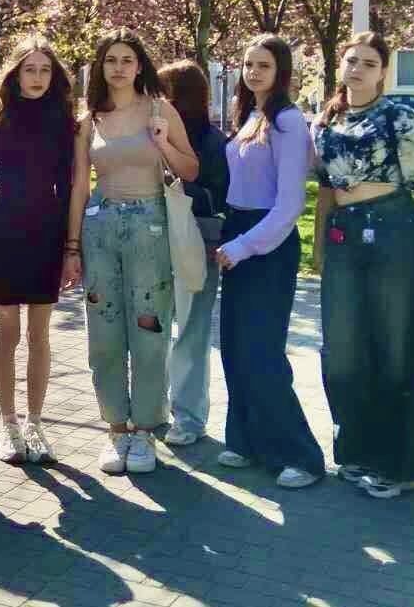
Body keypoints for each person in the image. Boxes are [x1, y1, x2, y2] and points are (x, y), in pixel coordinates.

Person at [313, 31, 414, 499]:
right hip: (343, 239)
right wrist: (318, 250)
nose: (358, 70)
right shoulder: (326, 120)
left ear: (383, 73)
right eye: (352, 61)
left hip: (394, 233)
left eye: (369, 64)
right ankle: (356, 452)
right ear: (340, 65)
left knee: (395, 350)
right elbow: (325, 192)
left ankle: (398, 465)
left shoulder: (399, 117)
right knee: (344, 351)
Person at [66, 28, 198, 475]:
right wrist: (72, 246)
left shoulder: (160, 109)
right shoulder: (90, 120)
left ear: (140, 65)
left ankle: (144, 429)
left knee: (149, 329)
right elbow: (80, 186)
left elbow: (191, 168)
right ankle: (116, 428)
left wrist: (162, 142)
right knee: (103, 334)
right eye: (110, 60)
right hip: (101, 229)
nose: (118, 68)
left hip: (150, 228)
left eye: (126, 59)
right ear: (100, 68)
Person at [212, 35, 325, 488]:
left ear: (281, 72)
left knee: (262, 352)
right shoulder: (250, 115)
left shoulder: (288, 122)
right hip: (238, 232)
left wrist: (243, 247)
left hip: (267, 245)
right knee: (235, 346)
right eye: (248, 64)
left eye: (264, 65)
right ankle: (246, 441)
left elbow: (290, 205)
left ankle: (300, 456)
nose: (254, 72)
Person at [0, 35, 78, 465]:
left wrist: (72, 248)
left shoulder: (64, 124)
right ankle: (8, 424)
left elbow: (70, 189)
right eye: (29, 69)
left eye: (45, 70)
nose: (37, 77)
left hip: (46, 237)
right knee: (7, 333)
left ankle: (35, 423)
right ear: (14, 75)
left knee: (39, 334)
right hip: (2, 237)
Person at [157, 59, 229, 448]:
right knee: (155, 327)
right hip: (158, 235)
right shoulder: (155, 133)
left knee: (191, 331)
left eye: (162, 92)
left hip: (198, 237)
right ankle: (156, 407)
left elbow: (218, 195)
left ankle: (188, 417)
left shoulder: (211, 141)